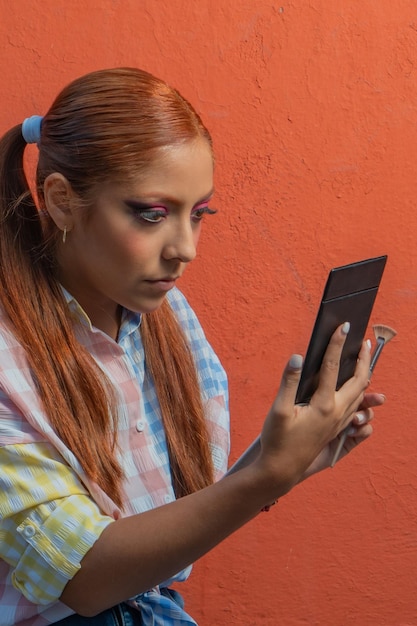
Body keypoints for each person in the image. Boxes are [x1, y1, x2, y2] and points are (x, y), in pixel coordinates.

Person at [0, 67, 384, 626]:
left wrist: (287, 460)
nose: (185, 249)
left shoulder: (166, 314)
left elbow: (176, 521)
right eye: (152, 214)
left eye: (198, 214)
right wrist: (264, 477)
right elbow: (80, 579)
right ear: (60, 201)